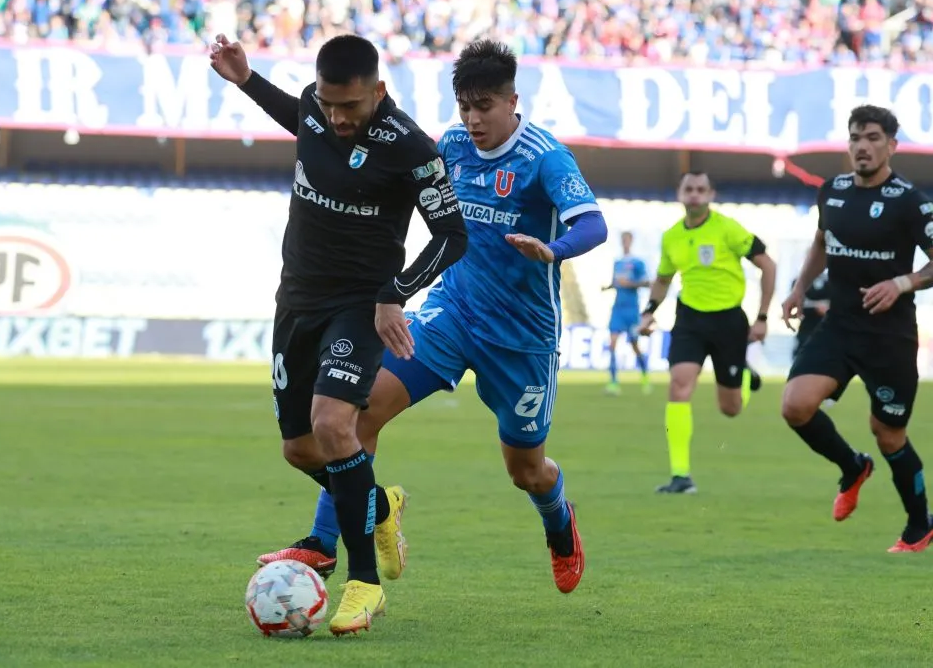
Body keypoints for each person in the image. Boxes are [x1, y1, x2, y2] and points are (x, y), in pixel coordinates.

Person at [257, 39, 607, 595]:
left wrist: (554, 250)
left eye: (485, 107)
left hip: (521, 337)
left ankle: (558, 518)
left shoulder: (545, 158)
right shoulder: (448, 146)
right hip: (450, 315)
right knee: (355, 415)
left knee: (525, 468)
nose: (473, 120)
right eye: (465, 107)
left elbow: (593, 224)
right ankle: (324, 542)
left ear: (513, 100)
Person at [209, 33, 468, 634]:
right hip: (296, 299)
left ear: (377, 90)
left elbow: (453, 234)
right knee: (299, 448)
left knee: (334, 425)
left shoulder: (412, 149)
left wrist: (394, 292)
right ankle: (378, 506)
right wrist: (246, 80)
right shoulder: (316, 108)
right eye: (327, 104)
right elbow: (297, 116)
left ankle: (363, 585)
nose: (335, 116)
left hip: (359, 305)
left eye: (348, 106)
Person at [781, 104, 933, 553]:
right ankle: (852, 467)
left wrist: (902, 282)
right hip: (840, 326)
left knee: (888, 434)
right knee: (795, 406)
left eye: (871, 138)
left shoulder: (911, 200)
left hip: (890, 337)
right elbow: (821, 242)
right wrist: (799, 288)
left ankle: (918, 524)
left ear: (891, 145)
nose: (861, 146)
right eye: (854, 138)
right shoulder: (831, 191)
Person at [638, 172, 774, 495]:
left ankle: (743, 377)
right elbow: (663, 278)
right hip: (689, 321)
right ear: (680, 194)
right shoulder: (671, 236)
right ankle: (680, 475)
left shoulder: (727, 228)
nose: (695, 194)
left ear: (711, 194)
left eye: (701, 189)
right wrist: (648, 312)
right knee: (679, 386)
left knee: (731, 408)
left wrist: (763, 317)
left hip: (729, 321)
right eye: (689, 189)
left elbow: (768, 265)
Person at [601, 231, 650, 395]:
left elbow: (646, 283)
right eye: (623, 240)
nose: (625, 243)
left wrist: (629, 283)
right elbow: (616, 283)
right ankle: (613, 382)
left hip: (632, 310)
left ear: (632, 241)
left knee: (635, 345)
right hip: (618, 309)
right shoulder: (618, 263)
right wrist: (607, 287)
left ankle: (645, 376)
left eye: (627, 240)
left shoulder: (638, 263)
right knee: (612, 343)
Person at [790, 269, 830, 359]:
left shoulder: (833, 280)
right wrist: (814, 308)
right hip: (807, 328)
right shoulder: (800, 281)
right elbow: (796, 306)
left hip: (828, 329)